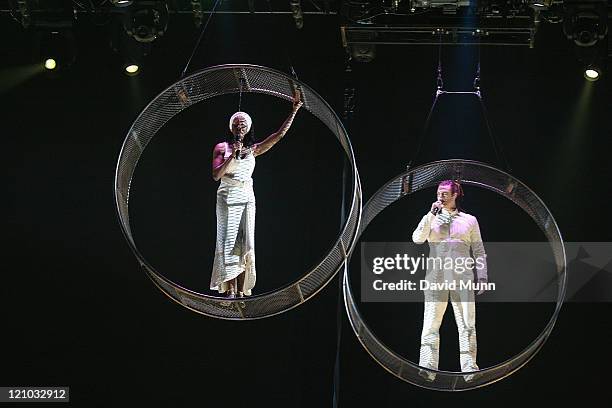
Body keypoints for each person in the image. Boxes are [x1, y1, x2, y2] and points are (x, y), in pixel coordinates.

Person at [210, 90, 303, 298]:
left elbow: (279, 135)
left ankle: (242, 291)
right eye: (236, 122)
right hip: (227, 195)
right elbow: (216, 175)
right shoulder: (222, 147)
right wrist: (231, 157)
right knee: (227, 240)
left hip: (246, 196)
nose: (240, 125)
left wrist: (294, 110)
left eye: (243, 123)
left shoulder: (254, 149)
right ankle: (230, 290)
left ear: (248, 127)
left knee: (245, 241)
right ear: (231, 126)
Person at [412, 180, 488, 381]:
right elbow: (417, 239)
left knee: (466, 323)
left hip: (462, 276)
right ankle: (427, 367)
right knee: (430, 322)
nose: (440, 196)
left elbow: (478, 250)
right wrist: (430, 215)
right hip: (436, 276)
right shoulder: (431, 218)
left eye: (445, 193)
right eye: (438, 193)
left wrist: (482, 275)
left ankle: (469, 367)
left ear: (455, 195)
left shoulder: (469, 220)